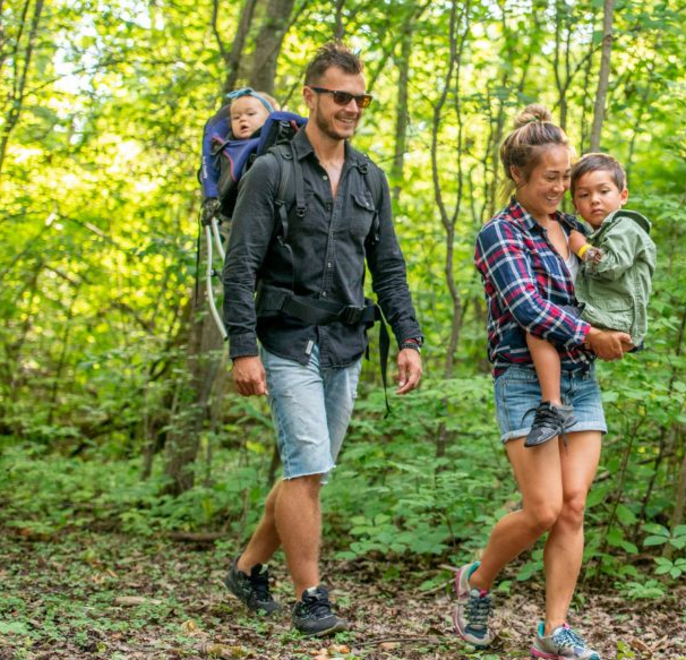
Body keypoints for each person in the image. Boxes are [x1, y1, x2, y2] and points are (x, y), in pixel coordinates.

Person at [220, 42, 424, 637]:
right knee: (307, 464)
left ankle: (247, 567)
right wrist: (243, 347)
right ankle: (311, 594)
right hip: (284, 341)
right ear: (310, 96)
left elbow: (388, 266)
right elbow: (240, 266)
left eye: (361, 99)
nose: (353, 107)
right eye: (341, 96)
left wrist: (407, 337)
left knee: (308, 472)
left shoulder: (369, 178)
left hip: (344, 343)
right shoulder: (273, 171)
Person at [454, 104, 631, 660]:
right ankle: (476, 582)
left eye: (565, 175)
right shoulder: (498, 235)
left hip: (581, 380)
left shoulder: (575, 229)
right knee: (543, 510)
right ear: (519, 176)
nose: (562, 188)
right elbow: (528, 309)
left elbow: (611, 289)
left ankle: (554, 631)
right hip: (525, 382)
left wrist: (623, 330)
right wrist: (591, 334)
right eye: (550, 178)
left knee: (575, 506)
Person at [523, 153, 656, 447]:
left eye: (603, 191)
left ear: (623, 196)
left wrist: (581, 248)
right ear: (576, 204)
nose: (594, 200)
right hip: (610, 316)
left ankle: (552, 404)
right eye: (584, 195)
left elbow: (610, 265)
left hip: (615, 318)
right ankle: (557, 401)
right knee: (547, 323)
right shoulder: (603, 230)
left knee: (540, 325)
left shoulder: (626, 228)